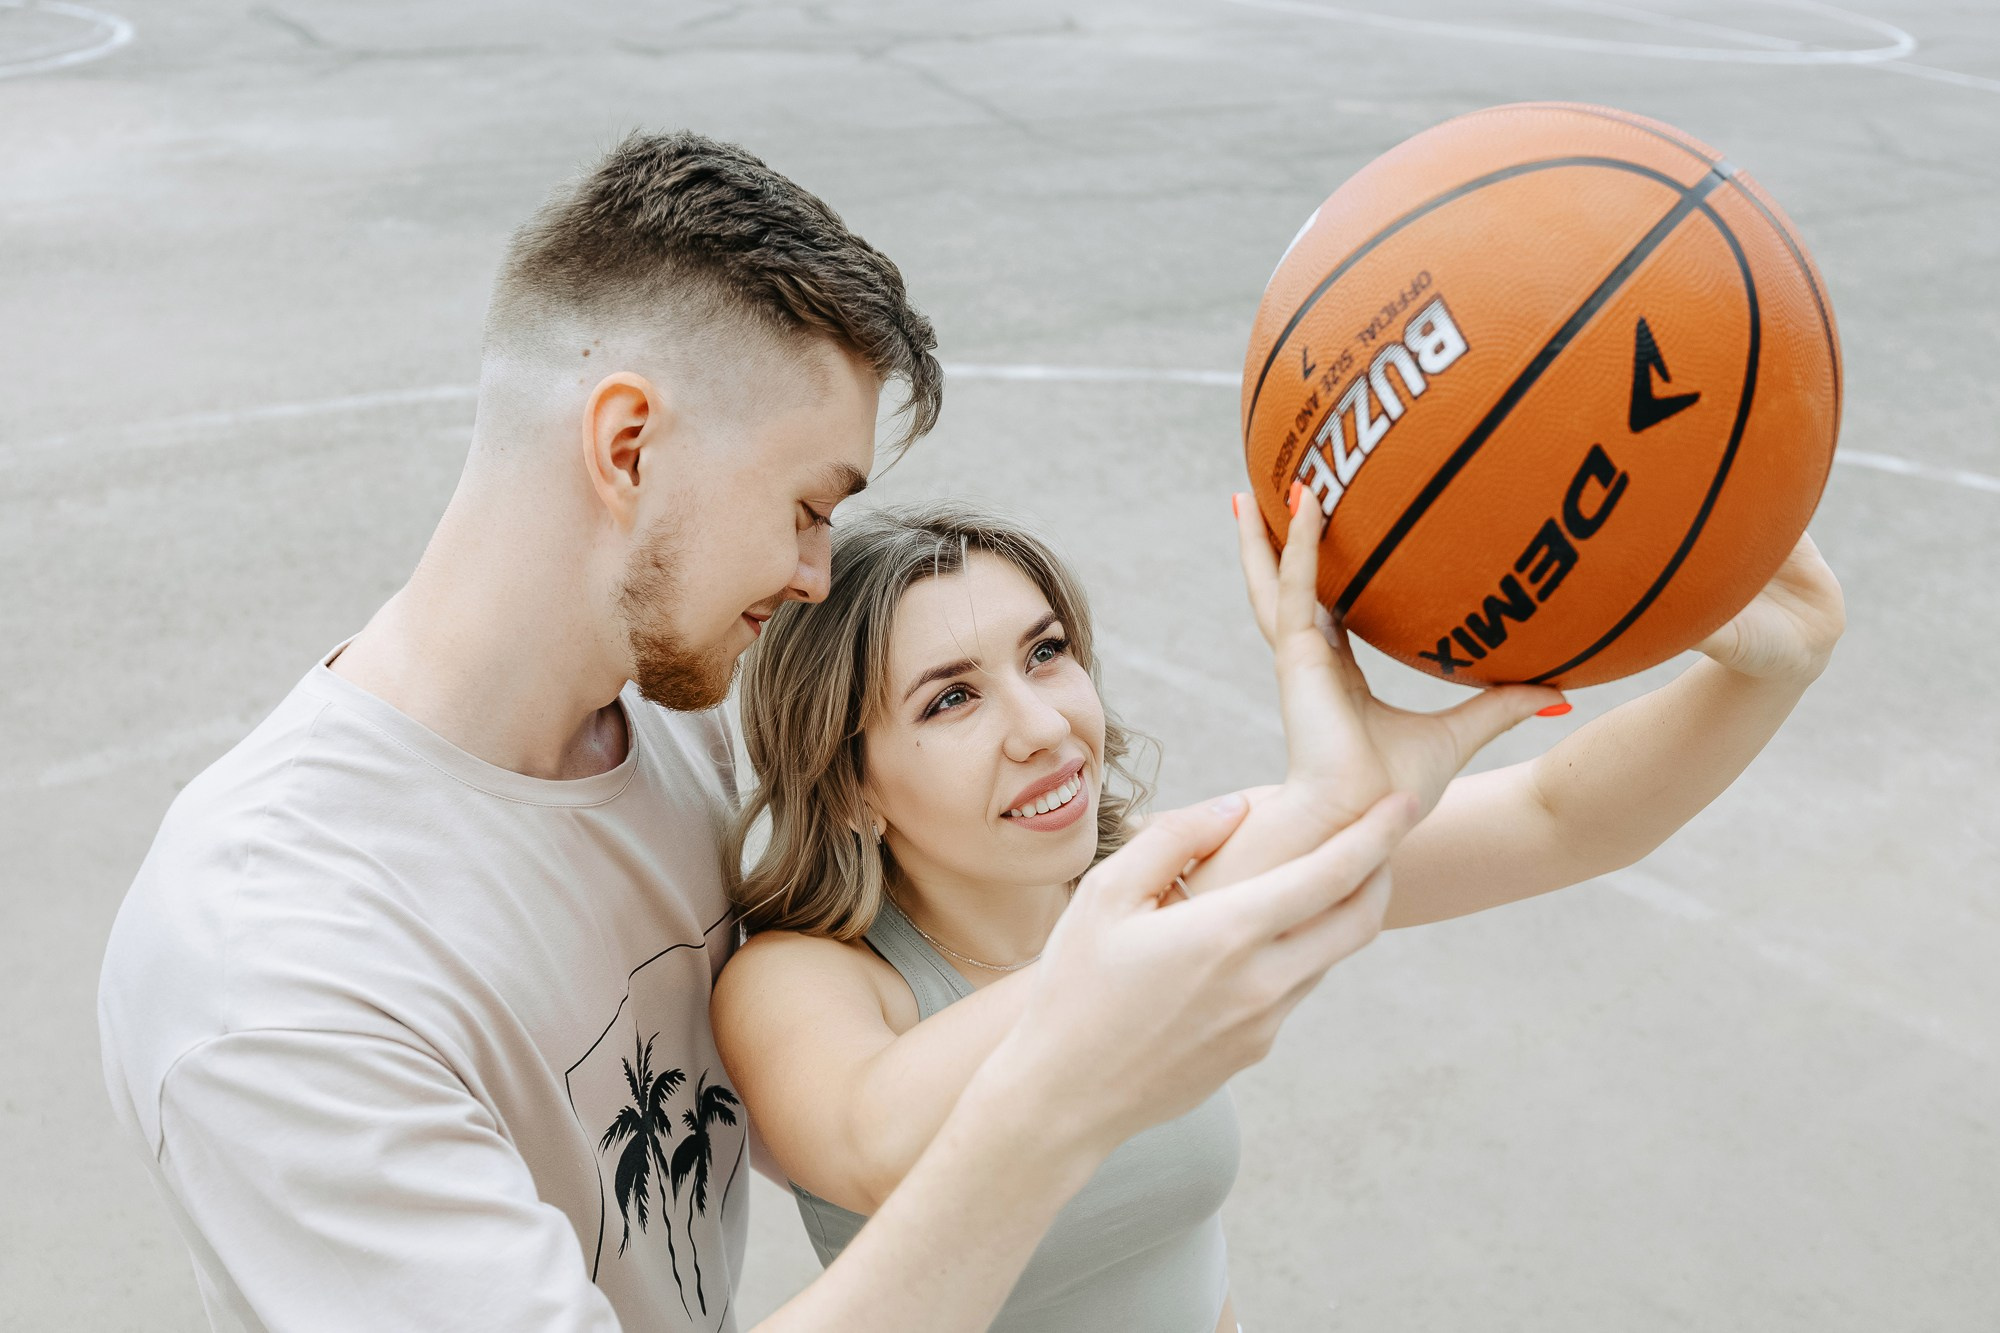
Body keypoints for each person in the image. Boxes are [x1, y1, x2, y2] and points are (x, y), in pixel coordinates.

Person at [96, 130, 1513, 1333]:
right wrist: (1062, 1093)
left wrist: (1332, 801)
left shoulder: (682, 745)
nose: (817, 574)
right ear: (627, 447)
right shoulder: (274, 972)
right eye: (807, 506)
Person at [710, 492, 1845, 1331]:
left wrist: (1770, 671)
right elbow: (874, 1140)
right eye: (951, 698)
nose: (1043, 726)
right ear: (848, 783)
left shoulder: (1171, 873)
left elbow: (1557, 818)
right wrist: (1301, 826)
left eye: (1045, 653)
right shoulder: (805, 978)